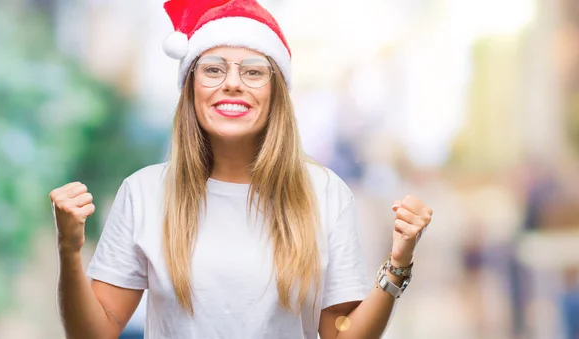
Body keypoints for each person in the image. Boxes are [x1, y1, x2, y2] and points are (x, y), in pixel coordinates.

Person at [49, 0, 433, 338]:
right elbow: (92, 334)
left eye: (252, 72)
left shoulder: (325, 193)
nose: (232, 84)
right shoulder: (144, 192)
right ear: (191, 87)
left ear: (275, 91)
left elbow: (341, 334)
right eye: (213, 70)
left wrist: (398, 263)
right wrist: (69, 250)